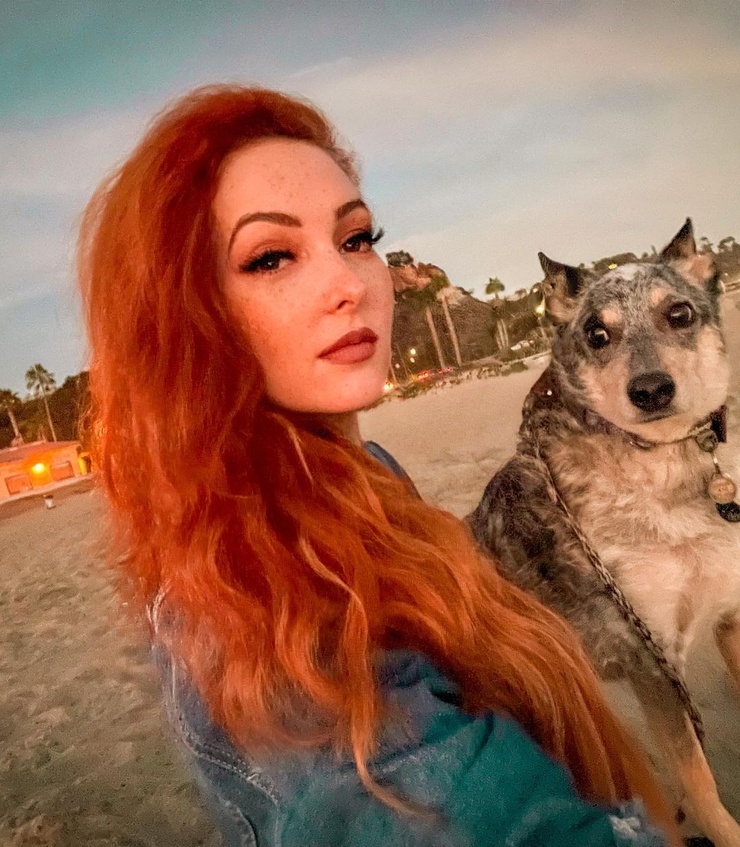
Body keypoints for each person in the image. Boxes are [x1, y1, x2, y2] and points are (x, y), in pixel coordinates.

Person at [77, 85, 681, 846]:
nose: (347, 285)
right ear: (188, 317)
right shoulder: (275, 606)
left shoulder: (361, 472)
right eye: (271, 257)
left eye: (356, 238)